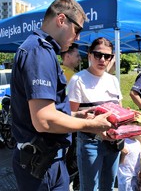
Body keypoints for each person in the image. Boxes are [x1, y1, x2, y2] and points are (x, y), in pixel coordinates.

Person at [11, 0, 112, 191]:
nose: (78, 38)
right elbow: (44, 120)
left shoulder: (40, 49)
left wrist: (75, 115)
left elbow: (47, 110)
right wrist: (91, 125)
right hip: (40, 165)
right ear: (61, 20)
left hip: (46, 161)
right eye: (78, 30)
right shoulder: (39, 52)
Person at [67, 37, 122, 191]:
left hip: (113, 142)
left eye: (107, 56)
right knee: (90, 188)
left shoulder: (113, 80)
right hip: (90, 142)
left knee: (109, 187)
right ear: (90, 55)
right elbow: (69, 115)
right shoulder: (78, 80)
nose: (102, 59)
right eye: (98, 55)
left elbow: (120, 112)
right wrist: (89, 121)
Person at [60, 43, 81, 190]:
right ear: (67, 56)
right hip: (73, 122)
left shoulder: (57, 71)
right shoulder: (72, 76)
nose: (80, 58)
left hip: (62, 122)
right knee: (73, 158)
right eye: (77, 55)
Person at [117, 115, 141, 191]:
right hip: (125, 178)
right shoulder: (123, 142)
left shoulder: (138, 142)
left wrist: (139, 170)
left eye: (139, 125)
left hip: (135, 176)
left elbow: (138, 159)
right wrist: (123, 155)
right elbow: (118, 163)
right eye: (133, 125)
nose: (136, 128)